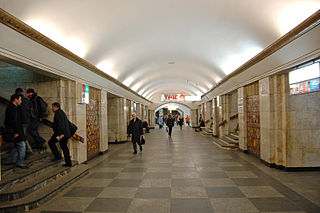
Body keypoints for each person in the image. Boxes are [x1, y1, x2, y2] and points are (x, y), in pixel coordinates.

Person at [3, 94, 28, 169]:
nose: (21, 101)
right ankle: (19, 162)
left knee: (17, 146)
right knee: (22, 145)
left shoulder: (14, 107)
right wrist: (16, 132)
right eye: (20, 99)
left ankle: (9, 160)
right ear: (15, 99)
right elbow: (14, 121)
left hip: (17, 130)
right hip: (16, 131)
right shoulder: (12, 108)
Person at [48, 102, 72, 167]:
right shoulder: (61, 112)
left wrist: (60, 134)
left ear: (56, 107)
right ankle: (67, 161)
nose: (52, 108)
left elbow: (61, 125)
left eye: (53, 107)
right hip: (64, 133)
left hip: (61, 134)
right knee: (64, 147)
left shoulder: (58, 113)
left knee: (51, 142)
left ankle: (60, 157)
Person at [15, 88, 33, 156]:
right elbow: (30, 110)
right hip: (27, 120)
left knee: (22, 136)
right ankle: (27, 149)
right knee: (23, 135)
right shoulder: (27, 101)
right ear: (22, 92)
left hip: (21, 121)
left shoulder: (18, 102)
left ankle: (27, 150)